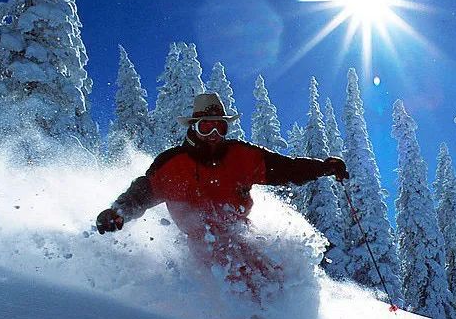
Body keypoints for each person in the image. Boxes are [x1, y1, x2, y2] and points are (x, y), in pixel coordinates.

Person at [97, 92, 348, 289]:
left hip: (241, 236)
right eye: (207, 127)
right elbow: (142, 193)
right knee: (231, 283)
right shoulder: (173, 164)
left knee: (275, 279)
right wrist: (118, 212)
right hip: (201, 247)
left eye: (221, 127)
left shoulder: (241, 156)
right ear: (194, 127)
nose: (214, 135)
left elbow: (287, 169)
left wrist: (323, 168)